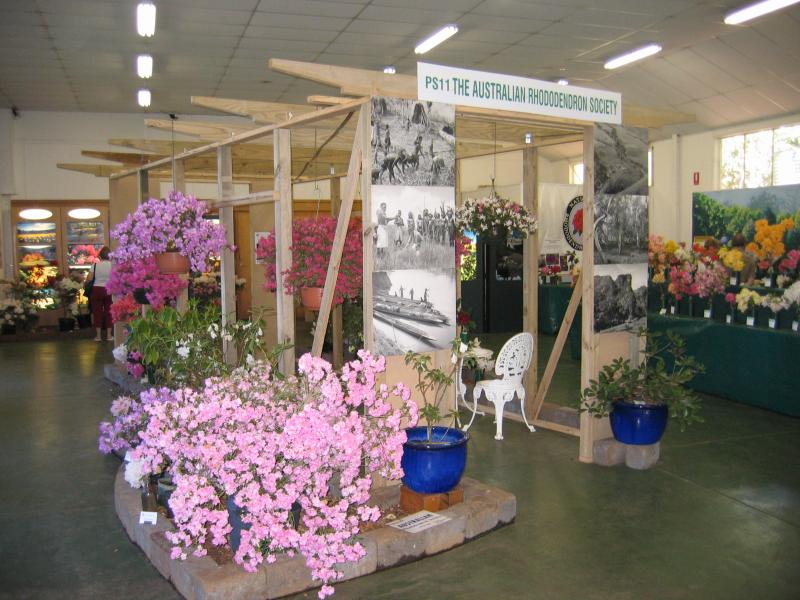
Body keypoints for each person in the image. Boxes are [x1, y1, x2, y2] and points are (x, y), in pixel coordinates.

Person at [86, 246, 113, 341]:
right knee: (109, 312)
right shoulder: (113, 265)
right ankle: (109, 335)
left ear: (100, 256)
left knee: (97, 312)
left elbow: (89, 278)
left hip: (96, 289)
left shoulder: (95, 265)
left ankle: (98, 336)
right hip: (109, 290)